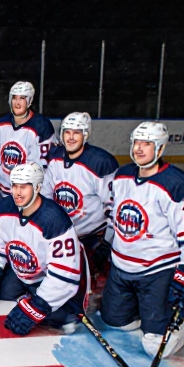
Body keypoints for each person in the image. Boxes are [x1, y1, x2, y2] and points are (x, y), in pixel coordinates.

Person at [101, 121, 184, 357]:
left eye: (147, 144)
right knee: (115, 322)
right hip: (123, 269)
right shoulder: (122, 176)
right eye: (137, 143)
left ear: (160, 149)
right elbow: (115, 215)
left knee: (156, 348)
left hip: (157, 271)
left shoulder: (178, 184)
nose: (139, 149)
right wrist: (107, 243)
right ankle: (151, 309)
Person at [0, 163, 88, 336]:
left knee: (63, 317)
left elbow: (64, 275)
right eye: (15, 186)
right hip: (24, 269)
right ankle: (30, 292)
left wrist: (36, 307)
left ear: (37, 187)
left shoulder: (54, 220)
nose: (18, 193)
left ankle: (43, 299)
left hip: (57, 276)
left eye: (24, 187)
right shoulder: (4, 208)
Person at [42, 112, 119, 274]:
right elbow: (46, 198)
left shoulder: (101, 163)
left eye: (76, 133)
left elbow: (115, 208)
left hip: (93, 237)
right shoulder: (54, 157)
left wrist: (107, 243)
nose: (70, 137)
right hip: (62, 235)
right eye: (67, 132)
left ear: (86, 135)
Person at [0, 81, 55, 197]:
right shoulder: (0, 124)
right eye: (14, 98)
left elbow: (43, 167)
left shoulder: (41, 126)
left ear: (29, 101)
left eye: (22, 98)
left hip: (28, 194)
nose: (17, 103)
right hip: (3, 192)